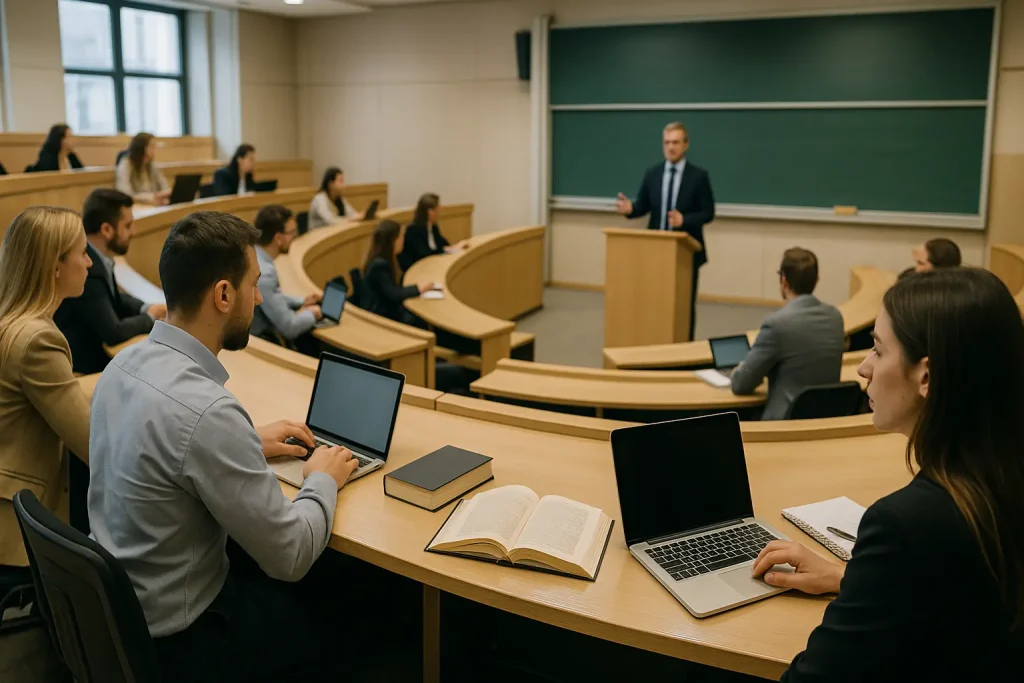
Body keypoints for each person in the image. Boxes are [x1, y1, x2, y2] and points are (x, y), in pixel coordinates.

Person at [88, 210, 361, 682]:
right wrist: (322, 479)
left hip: (120, 615)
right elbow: (291, 556)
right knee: (344, 624)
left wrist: (248, 440)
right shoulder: (209, 411)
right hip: (186, 641)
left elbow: (167, 449)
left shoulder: (122, 368)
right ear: (222, 294)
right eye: (254, 284)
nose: (259, 297)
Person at [752, 267, 1024, 681]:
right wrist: (852, 579)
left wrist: (874, 576)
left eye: (878, 350)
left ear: (926, 376)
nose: (863, 368)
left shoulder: (906, 524)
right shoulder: (1000, 479)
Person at [0, 207, 91, 569]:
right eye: (83, 253)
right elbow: (93, 443)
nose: (89, 263)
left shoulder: (13, 322)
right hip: (17, 527)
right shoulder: (38, 338)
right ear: (56, 266)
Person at [614, 121, 715, 340]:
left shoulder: (698, 177)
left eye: (676, 142)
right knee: (654, 301)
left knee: (684, 304)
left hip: (686, 252)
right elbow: (643, 205)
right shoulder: (653, 174)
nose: (671, 147)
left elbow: (708, 212)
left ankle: (684, 347)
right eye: (667, 142)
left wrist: (685, 220)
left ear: (685, 145)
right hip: (655, 251)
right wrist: (630, 209)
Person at [54, 189, 167, 374]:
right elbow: (114, 332)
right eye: (128, 225)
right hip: (84, 366)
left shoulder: (96, 256)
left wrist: (145, 307)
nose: (134, 232)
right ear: (107, 230)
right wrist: (150, 317)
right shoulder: (86, 269)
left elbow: (113, 297)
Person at [729, 248, 844, 420]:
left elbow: (741, 384)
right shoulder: (835, 317)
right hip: (825, 419)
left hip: (785, 422)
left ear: (784, 280)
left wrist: (739, 370)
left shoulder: (776, 324)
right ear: (816, 280)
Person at [250, 204, 323, 355]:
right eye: (291, 233)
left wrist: (302, 302)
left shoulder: (254, 256)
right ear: (278, 238)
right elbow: (290, 327)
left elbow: (270, 297)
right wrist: (313, 313)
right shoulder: (264, 273)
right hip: (262, 345)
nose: (295, 237)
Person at [361, 219, 436, 325]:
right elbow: (394, 294)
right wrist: (419, 288)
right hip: (383, 317)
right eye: (401, 236)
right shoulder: (379, 265)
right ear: (392, 241)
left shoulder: (386, 259)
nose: (403, 240)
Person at [397, 192, 469, 271]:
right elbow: (424, 254)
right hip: (420, 269)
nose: (439, 213)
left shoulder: (433, 227)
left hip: (433, 265)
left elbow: (443, 244)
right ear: (430, 212)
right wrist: (450, 250)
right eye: (437, 210)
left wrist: (454, 248)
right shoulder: (413, 230)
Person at [115, 132, 170, 205]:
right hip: (138, 206)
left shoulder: (152, 165)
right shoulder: (126, 164)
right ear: (141, 147)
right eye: (152, 146)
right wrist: (150, 197)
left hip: (155, 204)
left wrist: (164, 194)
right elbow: (124, 193)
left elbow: (164, 186)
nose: (154, 150)